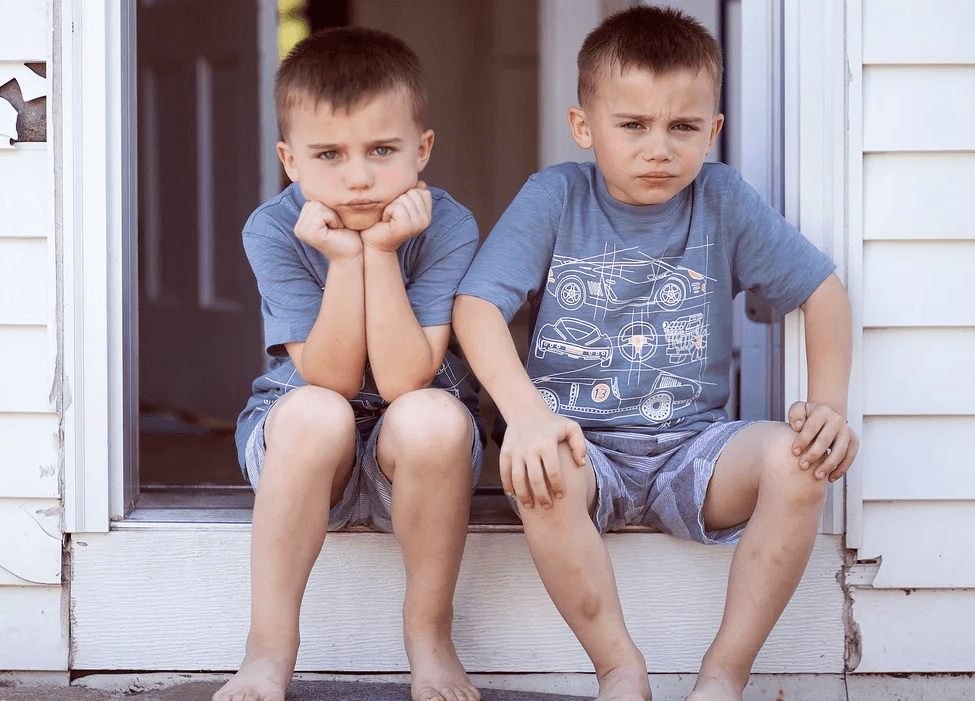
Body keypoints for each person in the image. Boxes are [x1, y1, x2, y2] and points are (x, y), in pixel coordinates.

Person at [452, 7, 858, 701]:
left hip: (690, 451)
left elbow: (821, 293)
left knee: (798, 462)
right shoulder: (555, 196)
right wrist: (523, 414)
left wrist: (828, 405)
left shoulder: (721, 198)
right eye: (632, 125)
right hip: (583, 448)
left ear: (712, 132)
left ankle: (721, 677)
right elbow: (476, 306)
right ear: (584, 126)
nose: (658, 148)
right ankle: (619, 669)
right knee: (537, 469)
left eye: (682, 127)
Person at [214, 27, 485, 701]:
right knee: (313, 412)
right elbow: (328, 380)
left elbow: (402, 380)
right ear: (290, 160)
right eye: (329, 153)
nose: (359, 175)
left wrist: (382, 251)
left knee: (432, 416)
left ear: (421, 151)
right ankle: (268, 648)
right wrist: (343, 257)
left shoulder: (447, 225)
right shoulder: (273, 229)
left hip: (415, 458)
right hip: (311, 455)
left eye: (382, 150)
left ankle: (428, 637)